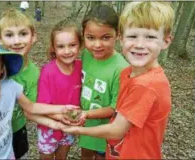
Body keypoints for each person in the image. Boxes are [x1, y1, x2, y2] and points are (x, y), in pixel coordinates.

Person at [62, 2, 174, 159]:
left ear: (166, 41)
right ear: (122, 38)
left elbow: (117, 129)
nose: (140, 45)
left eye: (150, 37)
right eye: (133, 36)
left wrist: (77, 130)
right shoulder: (129, 73)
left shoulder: (147, 85)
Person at [77, 5, 129, 159]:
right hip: (85, 124)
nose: (97, 45)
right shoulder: (86, 54)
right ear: (83, 35)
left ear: (118, 35)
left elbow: (115, 108)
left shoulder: (121, 68)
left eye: (106, 37)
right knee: (85, 155)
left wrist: (86, 113)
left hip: (106, 129)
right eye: (91, 37)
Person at [37, 19, 83, 160]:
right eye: (61, 46)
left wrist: (73, 119)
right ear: (54, 48)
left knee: (62, 156)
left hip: (69, 126)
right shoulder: (48, 72)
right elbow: (43, 106)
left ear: (80, 45)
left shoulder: (81, 67)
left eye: (72, 45)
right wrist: (62, 118)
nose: (67, 51)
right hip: (49, 126)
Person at [0, 8, 39, 159]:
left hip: (17, 129)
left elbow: (31, 107)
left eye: (23, 33)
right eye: (9, 35)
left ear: (33, 36)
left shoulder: (34, 72)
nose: (17, 41)